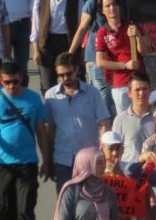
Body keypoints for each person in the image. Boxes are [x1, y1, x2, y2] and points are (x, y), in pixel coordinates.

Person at [0, 61, 51, 220]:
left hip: (28, 162)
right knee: (4, 209)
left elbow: (41, 132)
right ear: (0, 80)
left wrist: (46, 161)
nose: (11, 86)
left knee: (25, 209)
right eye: (7, 82)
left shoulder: (33, 98)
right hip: (3, 163)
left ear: (21, 78)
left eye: (15, 81)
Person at [44, 53, 111, 191]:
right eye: (61, 75)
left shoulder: (92, 93)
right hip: (63, 160)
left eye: (69, 74)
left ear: (77, 70)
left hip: (90, 160)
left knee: (91, 201)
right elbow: (50, 130)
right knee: (65, 201)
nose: (65, 78)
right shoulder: (50, 96)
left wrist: (102, 154)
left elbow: (105, 124)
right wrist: (48, 160)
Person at [52, 146, 120, 220]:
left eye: (104, 162)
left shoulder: (108, 192)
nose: (103, 166)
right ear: (86, 164)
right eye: (99, 162)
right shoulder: (72, 191)